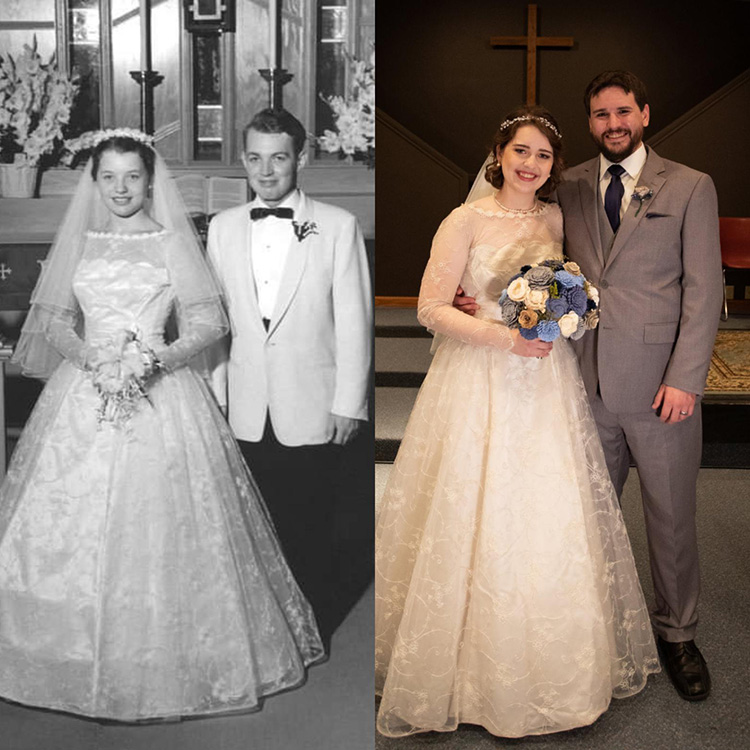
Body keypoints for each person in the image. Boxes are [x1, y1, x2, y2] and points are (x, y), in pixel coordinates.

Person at [0, 129, 324, 722]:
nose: (121, 188)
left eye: (132, 176)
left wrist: (152, 360)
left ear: (151, 180)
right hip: (85, 391)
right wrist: (95, 360)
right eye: (108, 177)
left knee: (162, 525)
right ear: (94, 183)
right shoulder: (82, 242)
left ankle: (159, 660)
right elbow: (53, 322)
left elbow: (206, 323)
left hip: (161, 392)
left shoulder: (172, 241)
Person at [375, 105, 660, 739]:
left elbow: (565, 289)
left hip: (546, 383)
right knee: (475, 509)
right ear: (498, 154)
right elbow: (428, 308)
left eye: (543, 156)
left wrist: (564, 317)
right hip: (482, 377)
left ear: (553, 166)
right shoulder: (464, 219)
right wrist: (502, 338)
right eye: (520, 152)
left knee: (543, 510)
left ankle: (550, 669)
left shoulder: (556, 217)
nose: (530, 165)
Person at [456, 72, 722, 702]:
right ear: (591, 123)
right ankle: (597, 625)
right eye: (600, 114)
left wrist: (687, 379)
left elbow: (705, 292)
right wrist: (480, 296)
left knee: (671, 519)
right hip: (579, 384)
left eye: (622, 111)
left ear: (645, 113)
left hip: (663, 390)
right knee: (583, 517)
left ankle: (678, 633)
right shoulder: (566, 184)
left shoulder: (690, 187)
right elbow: (527, 256)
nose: (612, 123)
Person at [206, 109, 372, 639]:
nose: (266, 170)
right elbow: (214, 325)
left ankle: (312, 627)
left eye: (278, 158)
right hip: (246, 404)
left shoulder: (338, 226)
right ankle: (267, 631)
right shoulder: (223, 228)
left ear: (301, 159)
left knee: (312, 524)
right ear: (243, 161)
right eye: (255, 158)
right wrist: (216, 398)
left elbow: (354, 320)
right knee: (255, 526)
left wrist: (350, 402)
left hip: (315, 401)